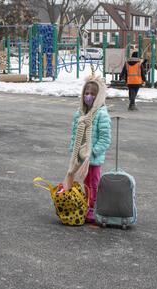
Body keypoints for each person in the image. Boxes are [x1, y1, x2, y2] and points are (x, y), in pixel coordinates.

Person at [65, 75, 111, 223]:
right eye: (86, 93)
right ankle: (82, 205)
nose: (88, 96)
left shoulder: (101, 114)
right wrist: (74, 152)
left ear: (98, 96)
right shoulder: (79, 114)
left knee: (93, 184)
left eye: (92, 94)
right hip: (79, 159)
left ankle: (93, 208)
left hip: (93, 159)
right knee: (81, 183)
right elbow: (74, 135)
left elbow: (105, 139)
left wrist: (92, 153)